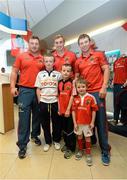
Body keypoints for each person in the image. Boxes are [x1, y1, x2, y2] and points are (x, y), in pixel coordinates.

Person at [75, 34, 110, 166]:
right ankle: (91, 141)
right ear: (79, 45)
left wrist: (104, 87)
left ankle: (105, 150)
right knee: (87, 120)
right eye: (81, 43)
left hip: (97, 92)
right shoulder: (78, 61)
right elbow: (77, 77)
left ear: (90, 42)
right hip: (84, 94)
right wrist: (75, 89)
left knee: (101, 122)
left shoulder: (99, 55)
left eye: (86, 42)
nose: (84, 44)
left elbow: (106, 69)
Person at [10, 36, 44, 159]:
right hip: (24, 90)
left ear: (38, 45)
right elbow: (14, 72)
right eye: (32, 43)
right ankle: (22, 145)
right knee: (24, 119)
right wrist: (13, 87)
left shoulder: (42, 59)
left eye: (36, 43)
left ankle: (35, 135)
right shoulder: (21, 56)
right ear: (29, 44)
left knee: (37, 115)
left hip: (38, 91)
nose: (34, 45)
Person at [35, 53, 62, 152]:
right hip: (44, 101)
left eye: (50, 61)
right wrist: (39, 101)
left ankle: (56, 140)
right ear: (44, 62)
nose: (48, 63)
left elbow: (61, 89)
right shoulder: (40, 74)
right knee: (45, 123)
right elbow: (38, 89)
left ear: (54, 62)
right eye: (46, 61)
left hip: (55, 101)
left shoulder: (58, 74)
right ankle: (47, 141)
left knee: (56, 122)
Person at [72, 77, 98, 166]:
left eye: (83, 86)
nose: (81, 89)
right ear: (76, 88)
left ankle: (88, 153)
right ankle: (80, 150)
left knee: (87, 137)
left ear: (86, 87)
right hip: (78, 123)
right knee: (79, 136)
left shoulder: (91, 98)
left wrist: (92, 122)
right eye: (79, 87)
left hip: (88, 123)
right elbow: (73, 111)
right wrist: (75, 123)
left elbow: (94, 110)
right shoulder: (75, 98)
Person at [58, 64, 76, 159]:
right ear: (61, 71)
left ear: (71, 73)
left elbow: (72, 97)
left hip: (69, 111)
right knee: (64, 129)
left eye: (68, 71)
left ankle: (71, 148)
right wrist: (58, 108)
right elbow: (58, 96)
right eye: (64, 70)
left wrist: (68, 109)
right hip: (61, 111)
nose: (65, 72)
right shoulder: (59, 82)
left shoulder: (72, 83)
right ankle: (66, 143)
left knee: (70, 130)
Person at [113, 54, 127, 125]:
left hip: (123, 85)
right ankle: (115, 119)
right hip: (116, 84)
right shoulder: (115, 61)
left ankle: (123, 120)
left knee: (123, 104)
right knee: (116, 103)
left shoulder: (126, 60)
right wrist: (113, 81)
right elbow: (115, 73)